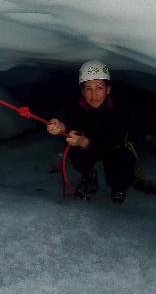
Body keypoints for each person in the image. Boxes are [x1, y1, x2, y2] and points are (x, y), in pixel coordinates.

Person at [47, 60, 138, 204]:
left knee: (123, 158)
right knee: (73, 147)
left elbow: (113, 138)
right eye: (88, 88)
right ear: (82, 91)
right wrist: (59, 127)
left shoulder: (120, 107)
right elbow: (69, 122)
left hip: (113, 148)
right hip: (89, 147)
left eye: (99, 88)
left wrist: (84, 141)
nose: (94, 94)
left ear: (108, 89)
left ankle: (119, 186)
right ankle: (88, 176)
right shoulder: (77, 106)